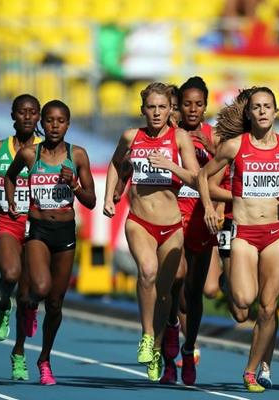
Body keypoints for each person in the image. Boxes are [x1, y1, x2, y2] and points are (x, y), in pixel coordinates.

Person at [198, 86, 279, 393]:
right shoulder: (235, 146)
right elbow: (203, 178)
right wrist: (211, 208)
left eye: (268, 106)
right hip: (245, 235)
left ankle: (252, 370)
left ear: (276, 112)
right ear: (249, 114)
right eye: (257, 107)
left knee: (268, 307)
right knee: (243, 302)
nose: (263, 111)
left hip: (276, 233)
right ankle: (229, 282)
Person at [103, 82, 199, 382]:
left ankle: (157, 348)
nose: (156, 113)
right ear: (143, 109)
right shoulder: (132, 136)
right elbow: (116, 164)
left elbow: (196, 179)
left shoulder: (180, 137)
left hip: (172, 226)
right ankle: (146, 335)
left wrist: (171, 165)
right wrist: (109, 196)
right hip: (139, 221)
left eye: (162, 107)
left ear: (170, 109)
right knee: (147, 271)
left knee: (164, 294)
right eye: (151, 107)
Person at [5, 99, 96, 385]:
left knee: (55, 303)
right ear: (42, 123)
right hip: (38, 230)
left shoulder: (78, 155)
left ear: (68, 124)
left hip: (65, 232)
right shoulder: (30, 155)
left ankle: (44, 359)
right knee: (40, 289)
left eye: (61, 121)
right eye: (50, 120)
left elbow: (91, 201)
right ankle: (20, 342)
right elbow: (9, 176)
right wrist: (12, 202)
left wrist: (75, 186)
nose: (55, 126)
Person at [0, 94, 42, 380]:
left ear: (39, 117)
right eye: (22, 112)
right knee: (11, 275)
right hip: (9, 221)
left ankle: (19, 354)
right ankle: (3, 303)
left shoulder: (48, 149)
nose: (27, 117)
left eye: (32, 113)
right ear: (13, 115)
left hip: (38, 226)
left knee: (29, 295)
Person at [159, 76, 218, 385]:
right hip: (174, 214)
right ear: (178, 106)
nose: (193, 109)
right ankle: (170, 335)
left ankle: (189, 347)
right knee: (175, 279)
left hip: (202, 219)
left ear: (206, 106)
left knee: (193, 295)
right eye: (187, 103)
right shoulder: (170, 134)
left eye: (198, 104)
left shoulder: (215, 136)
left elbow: (225, 177)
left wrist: (218, 211)